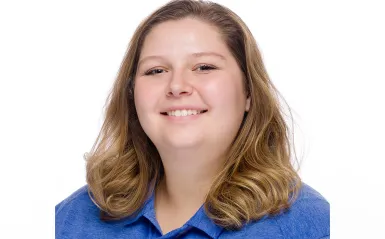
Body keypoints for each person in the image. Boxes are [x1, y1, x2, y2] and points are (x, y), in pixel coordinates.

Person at [55, 0, 330, 238]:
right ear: (131, 95)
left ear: (248, 92)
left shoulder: (312, 226)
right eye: (156, 70)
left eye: (204, 67)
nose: (177, 86)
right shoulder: (71, 219)